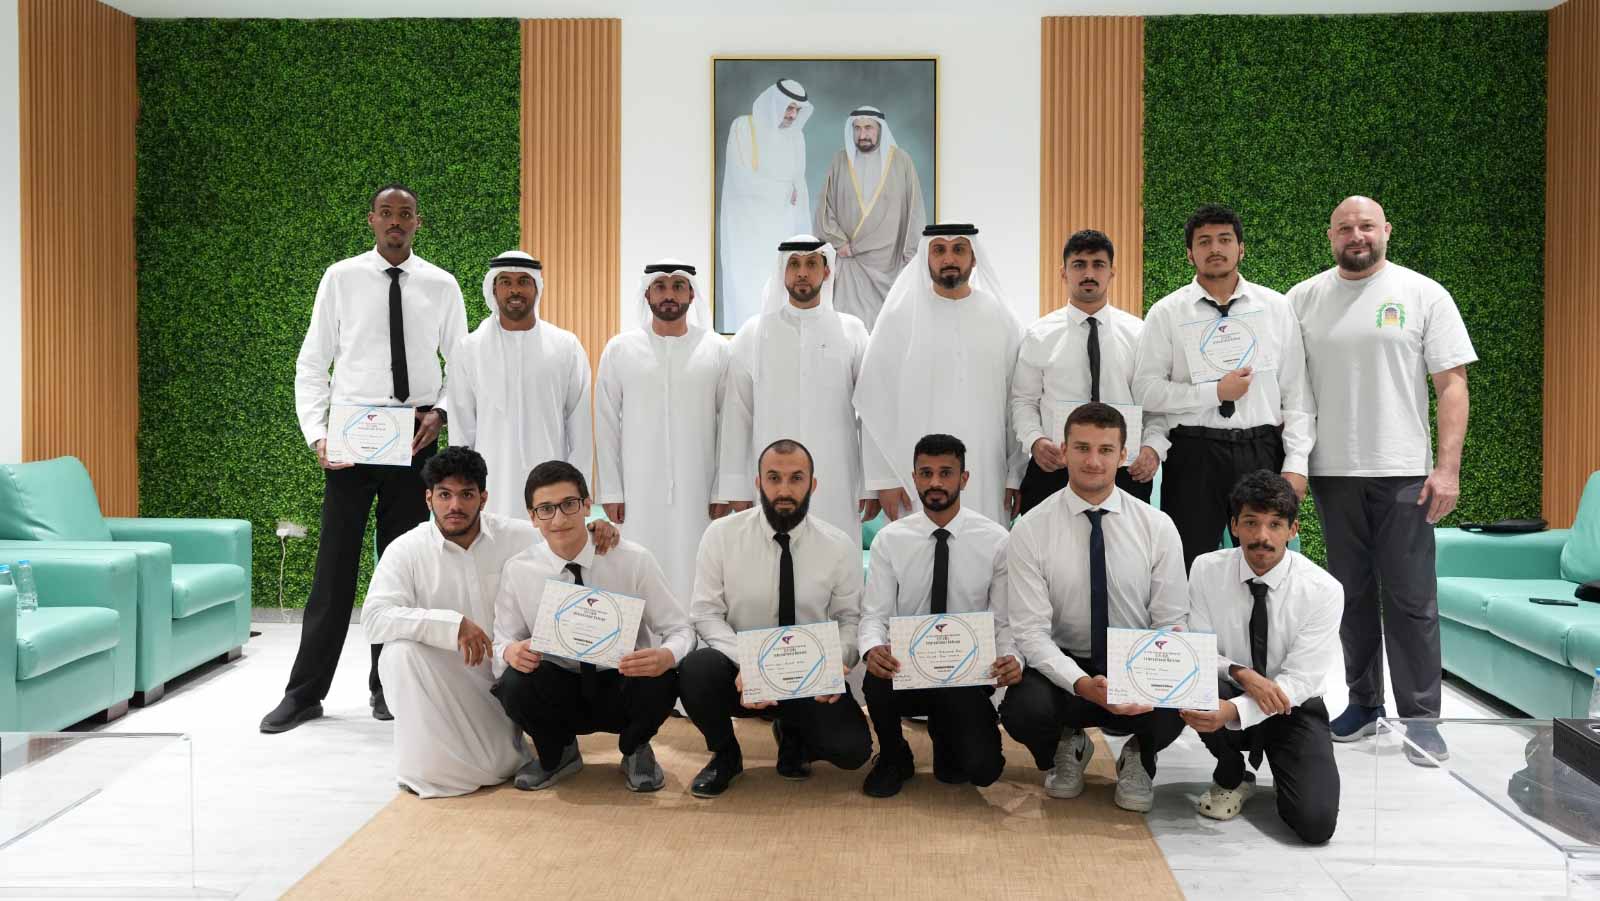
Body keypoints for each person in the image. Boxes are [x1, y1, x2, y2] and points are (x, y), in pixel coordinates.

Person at [266, 183, 468, 733]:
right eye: (386, 213)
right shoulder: (341, 278)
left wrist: (441, 413)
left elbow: (462, 364)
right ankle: (304, 694)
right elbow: (312, 363)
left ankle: (389, 687)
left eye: (406, 214)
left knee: (403, 570)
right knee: (334, 570)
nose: (396, 221)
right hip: (352, 443)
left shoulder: (442, 285)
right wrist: (317, 436)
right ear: (372, 220)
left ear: (418, 222)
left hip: (415, 440)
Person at [1287, 195, 1475, 765]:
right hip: (1332, 471)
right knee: (1352, 596)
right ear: (1330, 236)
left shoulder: (1423, 293)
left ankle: (1421, 719)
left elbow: (1452, 385)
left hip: (1404, 472)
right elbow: (1290, 390)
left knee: (1412, 598)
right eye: (1345, 226)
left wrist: (1447, 469)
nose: (1356, 235)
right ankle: (1364, 703)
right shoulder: (1302, 299)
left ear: (1386, 230)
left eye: (1366, 225)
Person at [999, 403, 1189, 813]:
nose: (1093, 461)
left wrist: (1148, 679)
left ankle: (1140, 754)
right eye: (1082, 448)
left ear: (1123, 455)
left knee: (1183, 700)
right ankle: (1067, 744)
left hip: (1136, 665)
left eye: (1105, 450)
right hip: (1065, 666)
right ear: (1063, 450)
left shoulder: (1157, 527)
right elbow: (1030, 632)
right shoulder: (1030, 528)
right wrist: (1082, 683)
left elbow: (1171, 622)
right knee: (1022, 710)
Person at [679, 439, 871, 798]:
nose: (784, 490)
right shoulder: (721, 536)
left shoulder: (838, 545)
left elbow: (850, 619)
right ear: (758, 483)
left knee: (852, 751)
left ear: (812, 484)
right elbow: (705, 613)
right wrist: (751, 664)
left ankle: (793, 735)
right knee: (696, 670)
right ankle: (726, 754)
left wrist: (835, 662)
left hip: (810, 677)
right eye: (773, 478)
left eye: (796, 478)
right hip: (740, 674)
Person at [492, 461, 694, 793]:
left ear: (587, 505)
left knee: (662, 677)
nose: (559, 519)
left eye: (569, 504)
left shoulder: (633, 559)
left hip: (623, 679)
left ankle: (635, 748)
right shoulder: (519, 569)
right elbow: (502, 640)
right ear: (532, 517)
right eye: (546, 509)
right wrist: (510, 651)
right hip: (559, 684)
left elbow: (680, 629)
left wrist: (667, 655)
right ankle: (558, 753)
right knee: (514, 683)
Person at [1133, 204, 1315, 571]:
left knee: (1265, 561)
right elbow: (1146, 391)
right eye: (1204, 241)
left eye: (1224, 239)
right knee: (1186, 564)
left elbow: (1297, 393)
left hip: (1261, 449)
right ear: (1190, 253)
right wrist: (1213, 393)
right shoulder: (1167, 312)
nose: (1215, 248)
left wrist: (1297, 463)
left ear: (1241, 248)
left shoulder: (1276, 308)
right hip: (1193, 453)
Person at [1183, 470, 1342, 844]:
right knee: (1194, 687)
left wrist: (1234, 711)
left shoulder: (1324, 590)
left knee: (1315, 824)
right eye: (1251, 522)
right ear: (1234, 526)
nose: (1262, 537)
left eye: (1275, 524)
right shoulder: (1206, 569)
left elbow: (1301, 681)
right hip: (1225, 688)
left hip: (1293, 706)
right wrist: (1242, 674)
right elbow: (1197, 649)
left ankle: (1286, 769)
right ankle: (1232, 772)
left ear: (1293, 529)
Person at [357, 447, 527, 797]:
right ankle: (430, 769)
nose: (455, 506)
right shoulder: (406, 549)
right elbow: (373, 619)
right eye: (445, 495)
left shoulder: (514, 536)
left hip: (504, 677)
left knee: (500, 762)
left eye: (467, 495)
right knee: (399, 653)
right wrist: (451, 626)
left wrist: (599, 529)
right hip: (440, 677)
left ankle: (493, 754)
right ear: (428, 498)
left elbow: (565, 536)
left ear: (483, 498)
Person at [858, 433, 1020, 798]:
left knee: (980, 771)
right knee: (876, 677)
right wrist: (871, 649)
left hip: (964, 675)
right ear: (914, 478)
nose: (935, 482)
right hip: (906, 671)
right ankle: (894, 755)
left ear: (964, 478)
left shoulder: (996, 540)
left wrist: (1012, 657)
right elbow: (874, 615)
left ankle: (947, 735)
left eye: (946, 473)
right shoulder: (890, 539)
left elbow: (1005, 621)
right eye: (926, 473)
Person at [856, 223, 1026, 526]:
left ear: (974, 257)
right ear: (926, 257)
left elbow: (1018, 401)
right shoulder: (899, 317)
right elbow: (874, 401)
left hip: (987, 472)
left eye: (959, 249)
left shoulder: (1001, 318)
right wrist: (885, 479)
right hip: (914, 477)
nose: (949, 258)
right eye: (939, 250)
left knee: (984, 546)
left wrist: (1015, 474)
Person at [719, 236, 877, 547]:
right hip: (772, 479)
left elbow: (870, 413)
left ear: (827, 271)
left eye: (811, 264)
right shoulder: (753, 333)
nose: (802, 272)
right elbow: (737, 415)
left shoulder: (852, 330)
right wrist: (736, 488)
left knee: (835, 557)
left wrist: (870, 485)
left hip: (836, 477)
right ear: (783, 271)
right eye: (794, 264)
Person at [596, 260, 732, 603]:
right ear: (647, 294)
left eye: (678, 287)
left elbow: (729, 423)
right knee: (638, 565)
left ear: (692, 294)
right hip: (638, 490)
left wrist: (722, 489)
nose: (669, 294)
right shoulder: (620, 349)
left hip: (699, 487)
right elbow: (606, 422)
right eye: (660, 287)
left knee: (697, 566)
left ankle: (696, 633)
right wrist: (611, 489)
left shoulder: (716, 349)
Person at [1012, 229, 1161, 516]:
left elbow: (1154, 403)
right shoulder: (1039, 335)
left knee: (1125, 544)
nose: (1089, 273)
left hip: (1123, 469)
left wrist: (1153, 447)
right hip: (1055, 465)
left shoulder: (1139, 334)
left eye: (1098, 264)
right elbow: (1023, 400)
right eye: (1079, 264)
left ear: (1112, 272)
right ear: (1064, 272)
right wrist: (1035, 441)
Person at [448, 250, 592, 521]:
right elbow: (462, 428)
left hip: (552, 484)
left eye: (523, 281)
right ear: (493, 289)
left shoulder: (565, 346)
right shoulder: (469, 349)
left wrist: (579, 490)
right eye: (506, 282)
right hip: (491, 485)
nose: (515, 290)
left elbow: (580, 425)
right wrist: (463, 490)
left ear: (537, 287)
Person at [814, 106, 926, 330]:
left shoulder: (901, 161)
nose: (862, 134)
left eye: (868, 128)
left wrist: (911, 256)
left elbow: (914, 212)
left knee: (886, 332)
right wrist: (838, 242)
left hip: (889, 266)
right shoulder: (840, 160)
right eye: (857, 128)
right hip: (849, 263)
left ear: (880, 129)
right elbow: (825, 208)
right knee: (848, 331)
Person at [718, 79, 814, 330]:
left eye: (797, 110)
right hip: (748, 237)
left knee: (782, 303)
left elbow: (800, 190)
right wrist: (785, 190)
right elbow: (741, 180)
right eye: (789, 107)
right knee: (749, 300)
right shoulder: (743, 128)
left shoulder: (797, 137)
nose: (792, 115)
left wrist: (805, 242)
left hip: (783, 234)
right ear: (774, 103)